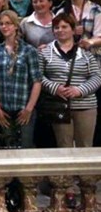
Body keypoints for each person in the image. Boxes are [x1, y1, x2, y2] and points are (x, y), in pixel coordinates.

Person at [38, 14, 101, 147]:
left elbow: (97, 76)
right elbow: (38, 76)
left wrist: (79, 90)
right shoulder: (44, 52)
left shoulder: (86, 52)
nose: (60, 30)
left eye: (64, 26)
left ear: (73, 30)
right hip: (59, 105)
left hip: (85, 106)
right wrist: (55, 88)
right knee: (64, 146)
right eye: (56, 27)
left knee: (85, 146)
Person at [0, 11, 42, 148]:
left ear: (16, 26)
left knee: (25, 147)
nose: (4, 27)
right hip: (5, 109)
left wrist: (29, 109)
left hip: (24, 108)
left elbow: (37, 81)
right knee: (8, 147)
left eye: (8, 23)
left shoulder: (29, 50)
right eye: (1, 24)